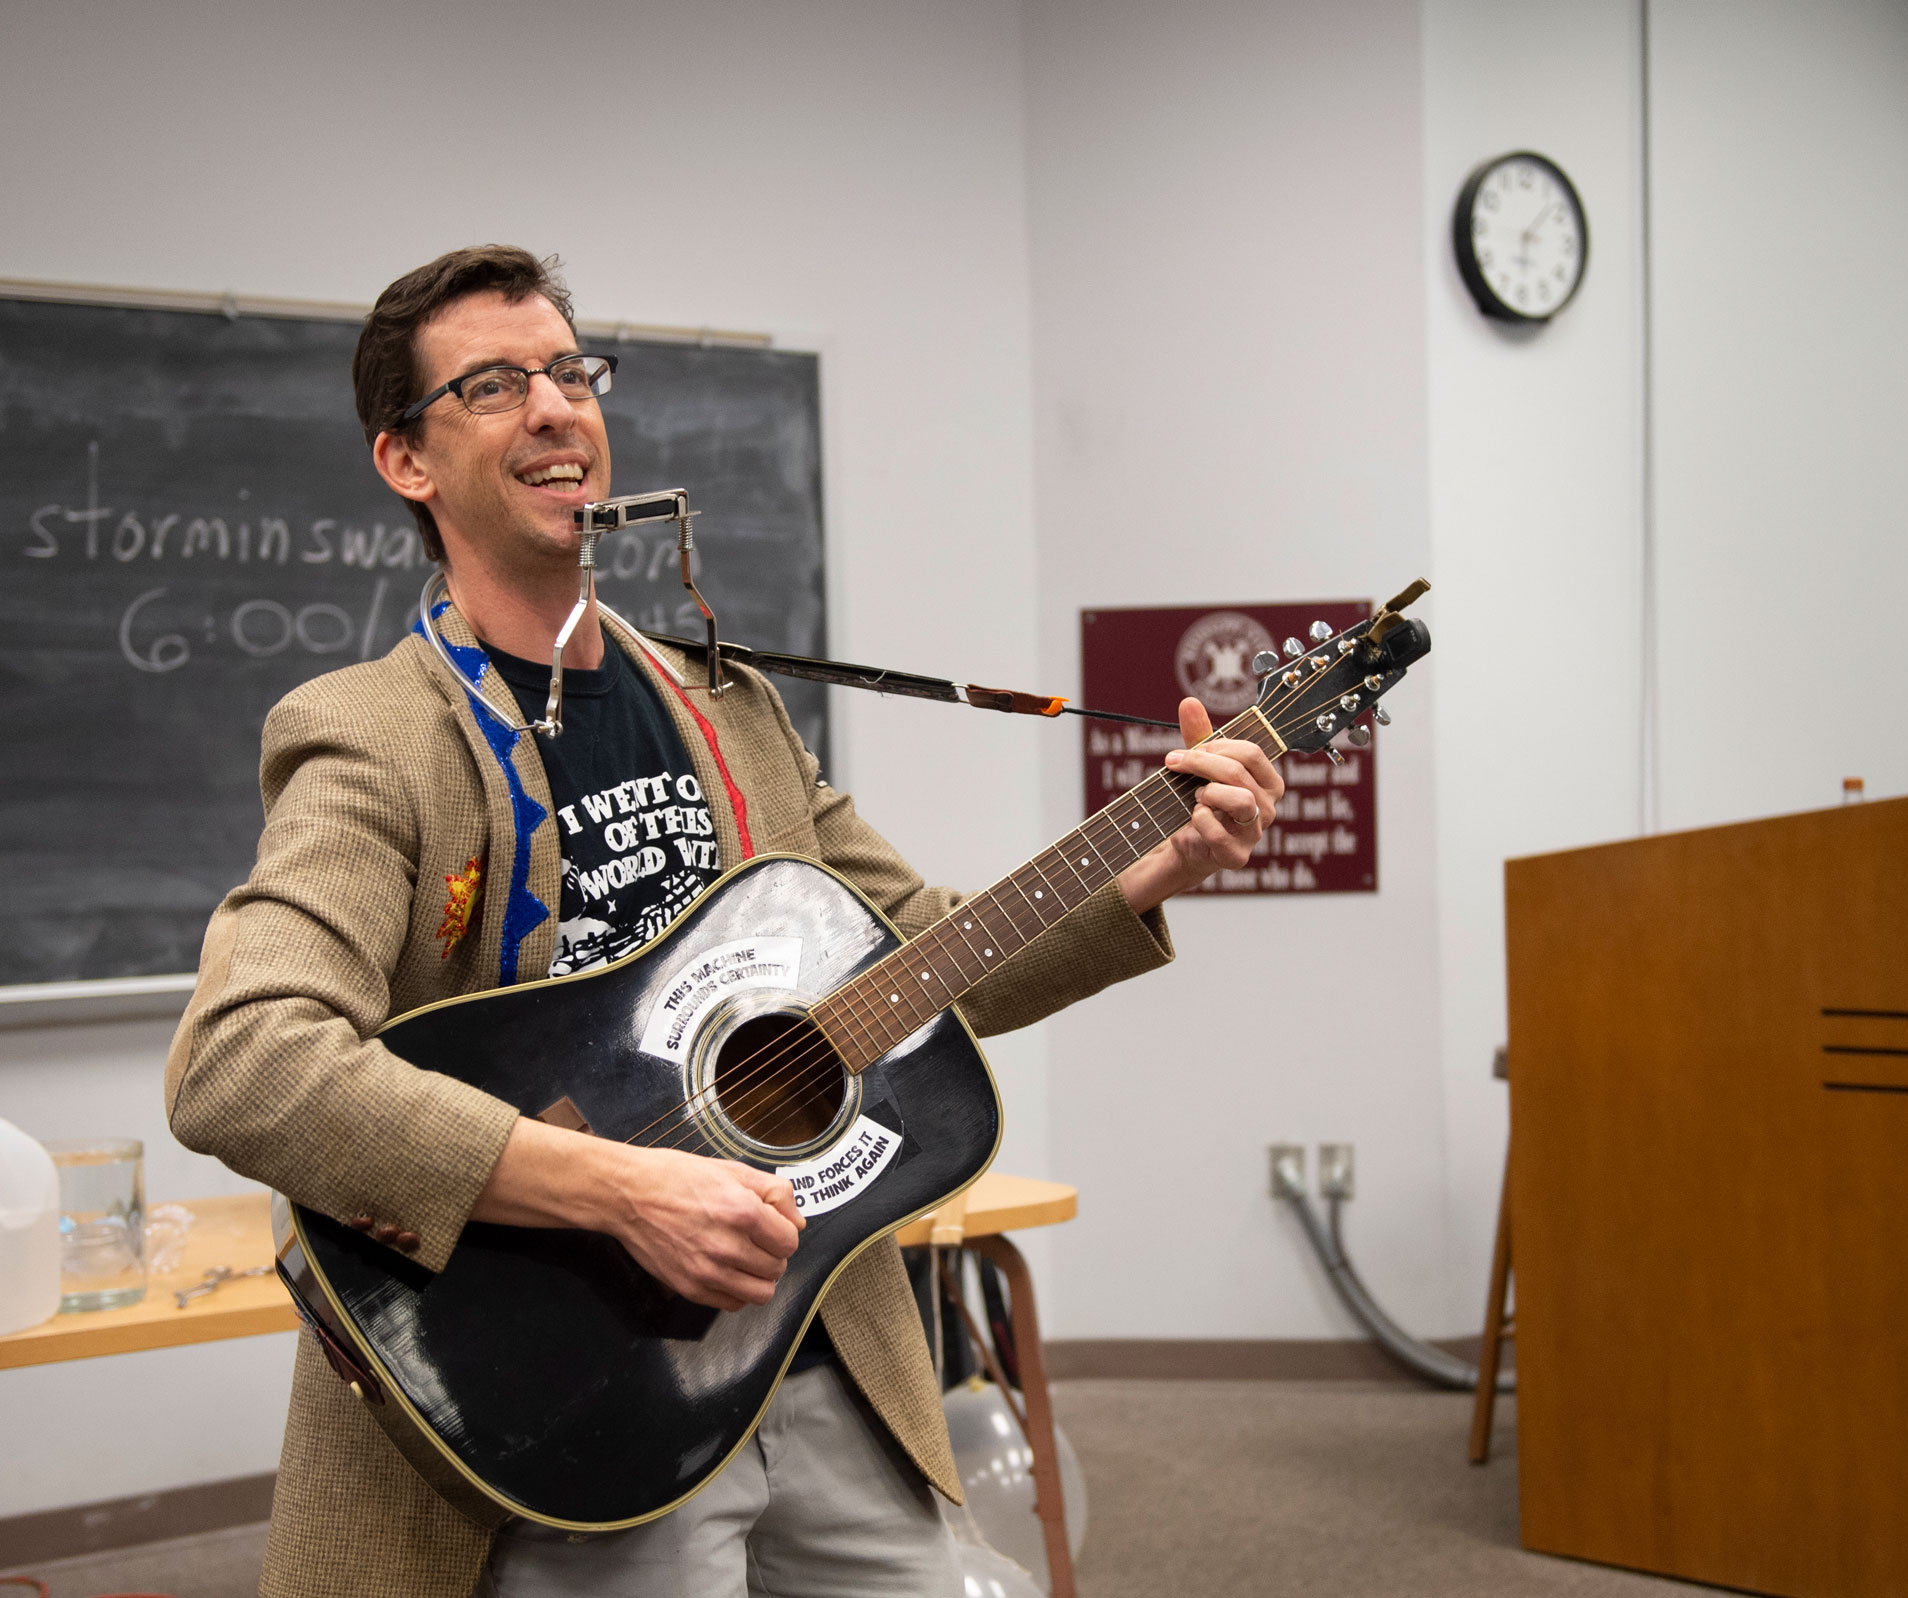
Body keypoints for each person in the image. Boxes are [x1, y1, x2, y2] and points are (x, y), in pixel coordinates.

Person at [165, 245, 1284, 1598]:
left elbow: (915, 951)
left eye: (572, 371)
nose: (555, 407)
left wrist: (1147, 864)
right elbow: (245, 1060)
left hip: (822, 1341)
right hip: (581, 1391)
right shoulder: (370, 735)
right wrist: (627, 1187)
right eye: (497, 384)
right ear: (407, 459)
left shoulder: (729, 706)